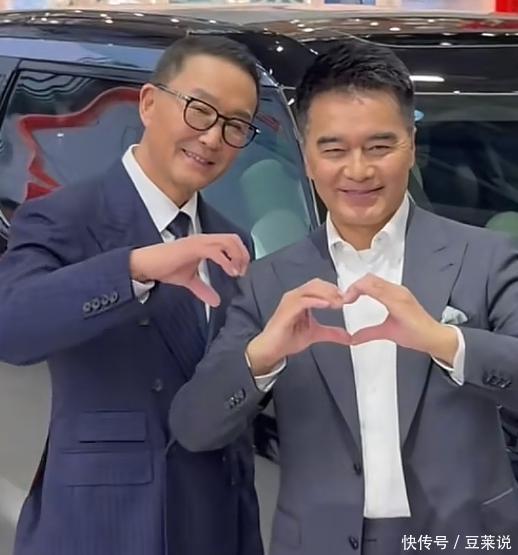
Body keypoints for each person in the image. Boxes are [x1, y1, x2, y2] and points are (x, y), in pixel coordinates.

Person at [170, 40, 518, 555]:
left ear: (411, 144)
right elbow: (194, 427)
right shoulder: (269, 282)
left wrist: (445, 341)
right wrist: (262, 357)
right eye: (334, 150)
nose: (358, 171)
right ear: (307, 157)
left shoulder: (486, 256)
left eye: (379, 147)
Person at [0, 36, 264, 555]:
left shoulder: (232, 239)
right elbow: (11, 327)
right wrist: (136, 268)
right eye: (200, 109)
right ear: (148, 103)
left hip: (210, 521)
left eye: (235, 125)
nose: (213, 137)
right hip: (105, 523)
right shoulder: (66, 215)